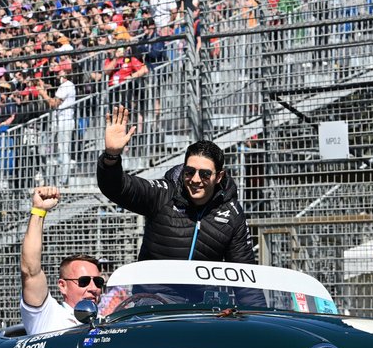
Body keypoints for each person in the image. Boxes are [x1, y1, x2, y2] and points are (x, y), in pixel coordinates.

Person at [97, 105, 256, 264]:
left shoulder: (232, 213)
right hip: (154, 288)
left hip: (201, 290)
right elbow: (117, 188)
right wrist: (111, 156)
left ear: (219, 176)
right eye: (189, 171)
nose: (195, 179)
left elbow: (244, 272)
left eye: (205, 174)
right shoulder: (163, 194)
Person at [19, 185, 105, 335]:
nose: (93, 288)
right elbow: (30, 270)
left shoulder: (107, 322)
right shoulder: (48, 315)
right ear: (62, 286)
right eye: (84, 281)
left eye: (98, 282)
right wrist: (39, 210)